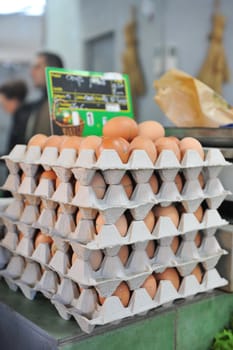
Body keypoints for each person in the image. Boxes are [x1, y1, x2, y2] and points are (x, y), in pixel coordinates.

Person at [25, 51, 64, 140]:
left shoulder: (66, 105)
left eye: (37, 67)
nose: (31, 73)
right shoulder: (40, 104)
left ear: (52, 69)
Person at [0, 80, 31, 153]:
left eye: (3, 103)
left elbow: (18, 147)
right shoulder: (22, 115)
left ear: (14, 101)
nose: (3, 107)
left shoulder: (22, 119)